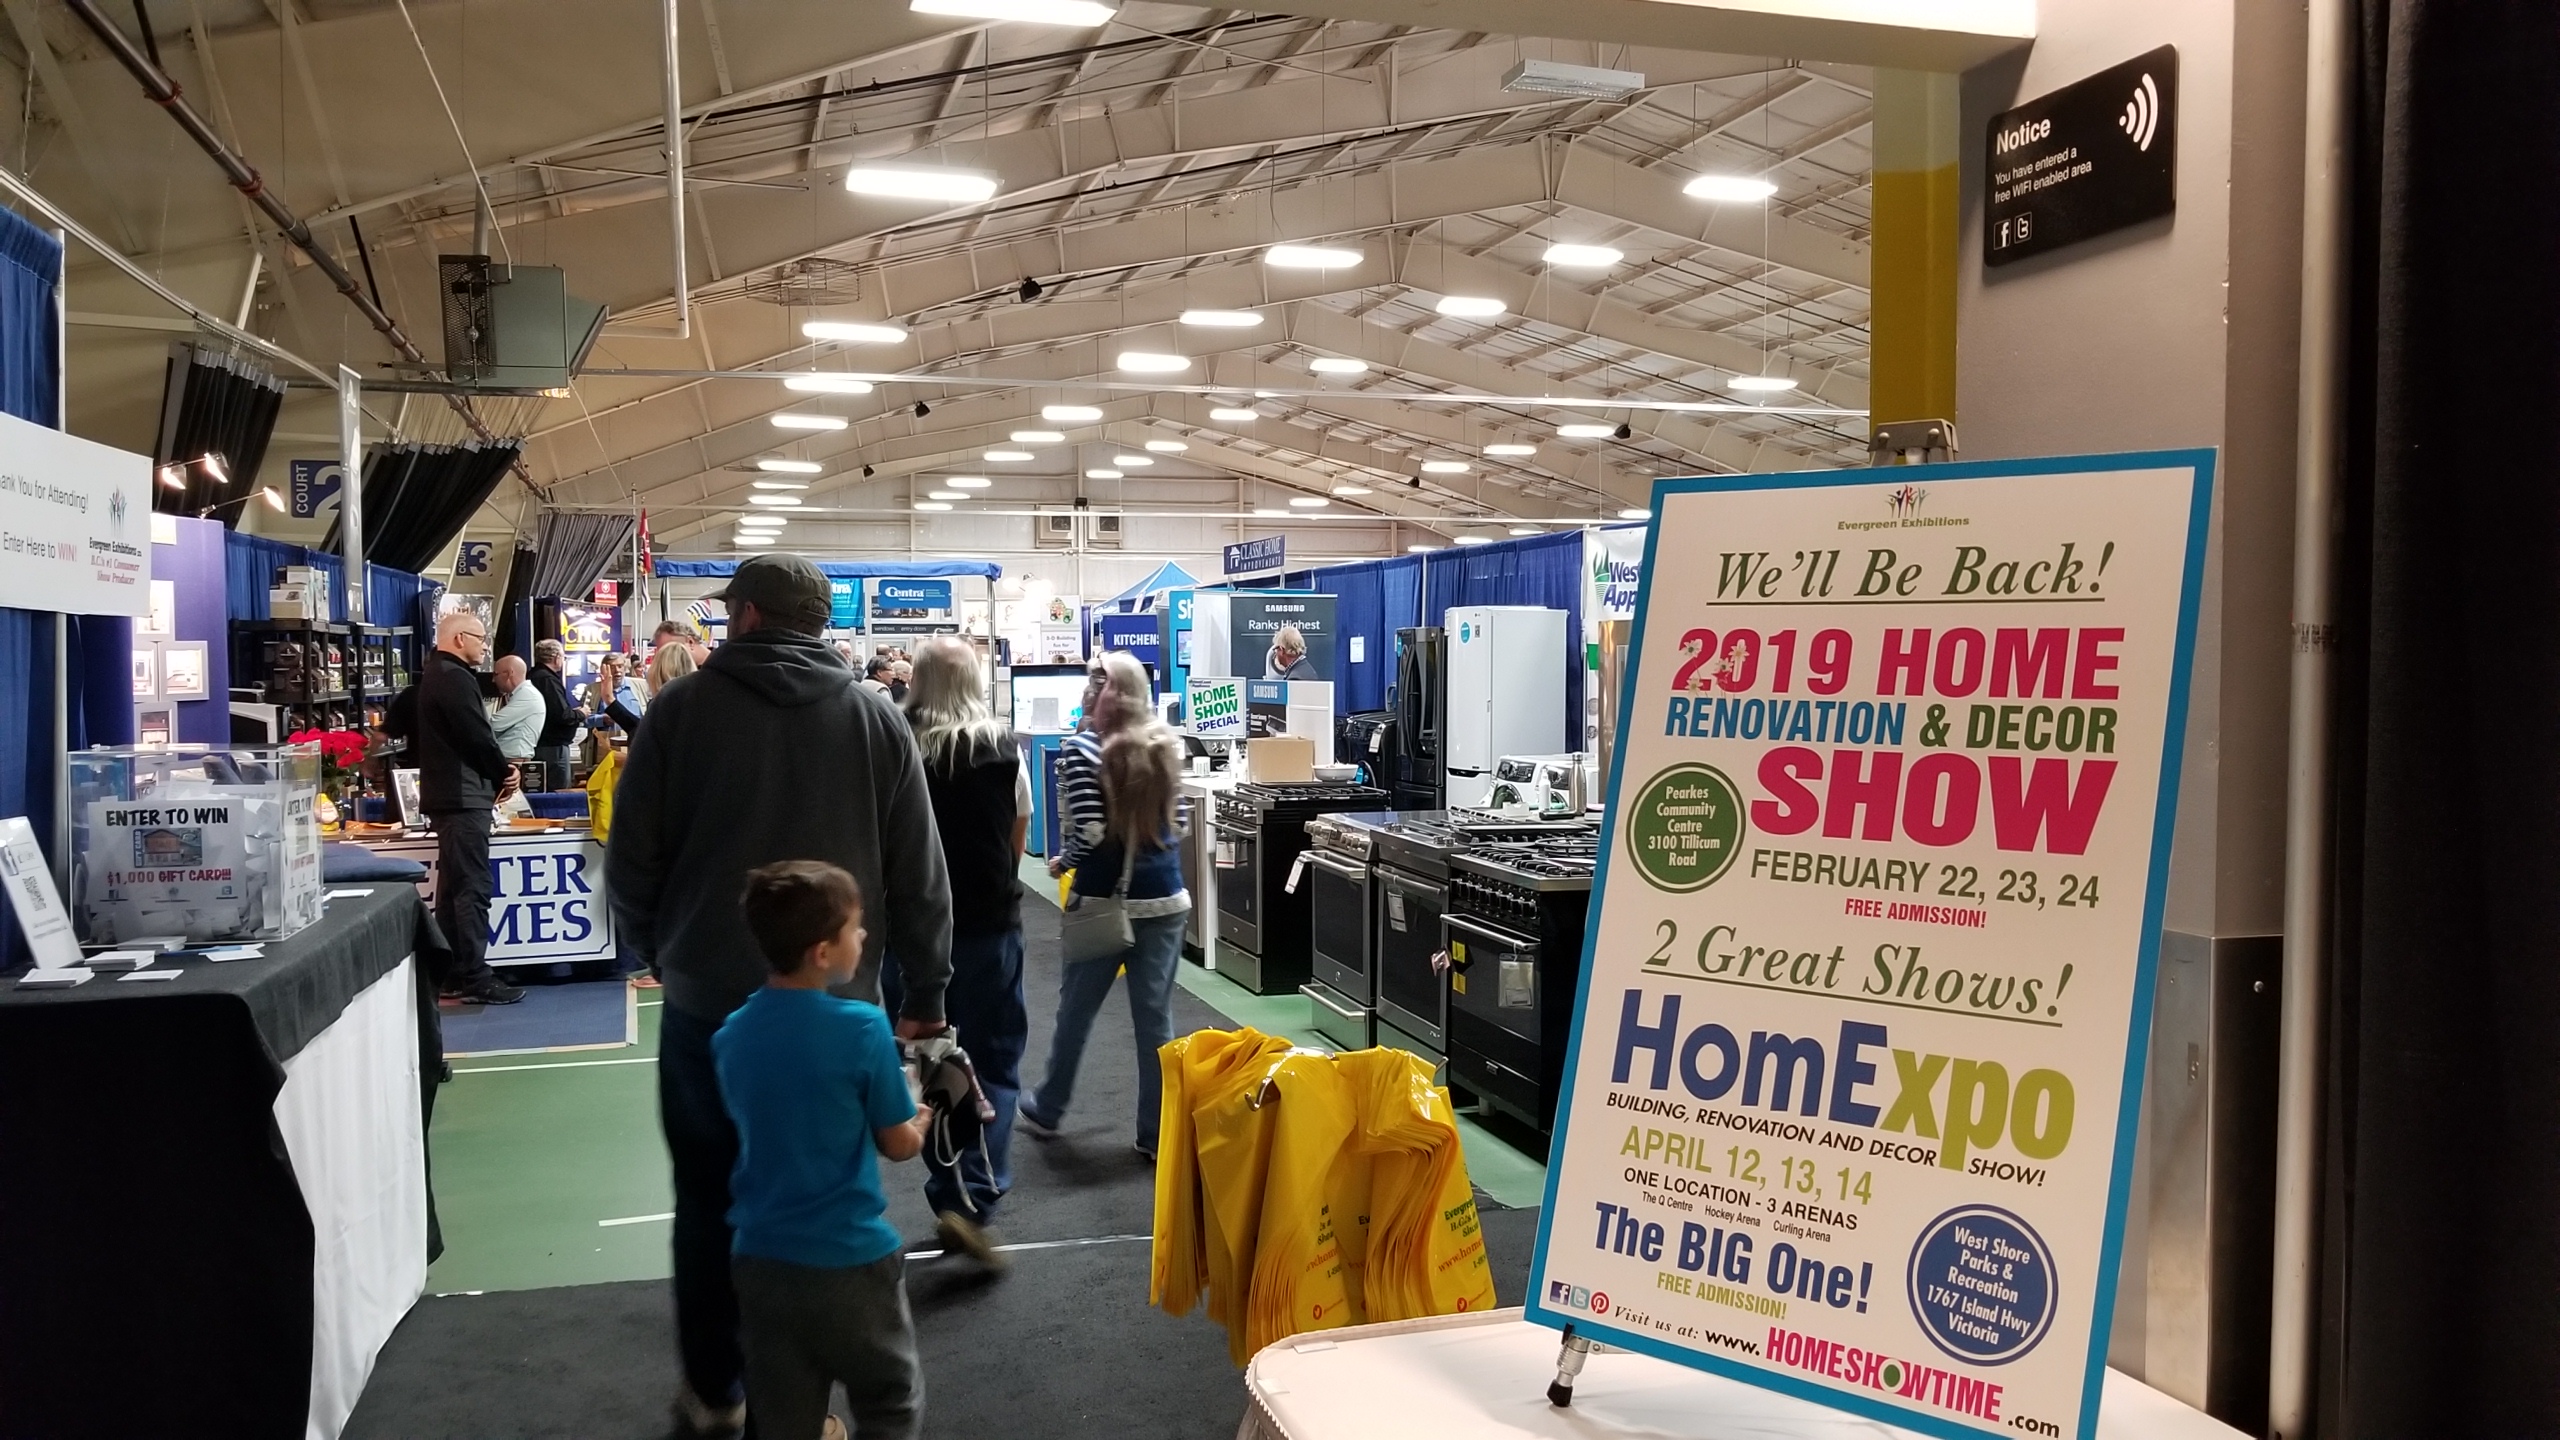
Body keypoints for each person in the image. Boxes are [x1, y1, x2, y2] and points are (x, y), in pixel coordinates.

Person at [608, 552, 953, 1438]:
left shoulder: (677, 712)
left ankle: (718, 1390)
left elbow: (631, 858)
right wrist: (927, 993)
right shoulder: (875, 718)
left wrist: (663, 951)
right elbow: (920, 872)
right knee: (827, 1191)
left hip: (705, 1003)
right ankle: (814, 1394)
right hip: (841, 1008)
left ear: (749, 616)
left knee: (708, 1195)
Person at [720, 861, 928, 1440]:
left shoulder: (730, 1036)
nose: (863, 935)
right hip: (851, 1261)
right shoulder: (862, 1028)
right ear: (822, 952)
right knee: (890, 1400)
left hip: (760, 1261)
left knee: (785, 1416)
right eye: (855, 928)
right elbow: (898, 1144)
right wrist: (920, 1119)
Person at [1020, 651, 1188, 1159]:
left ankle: (1049, 1106)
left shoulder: (1083, 749)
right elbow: (1177, 823)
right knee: (1155, 1022)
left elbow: (1091, 831)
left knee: (1076, 1009)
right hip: (1166, 899)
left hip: (1101, 901)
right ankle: (1156, 1134)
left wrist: (1062, 860)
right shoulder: (1165, 743)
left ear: (1100, 694)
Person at [900, 636, 1028, 1269]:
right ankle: (979, 1190)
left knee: (932, 1063)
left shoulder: (897, 743)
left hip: (914, 933)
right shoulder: (1003, 747)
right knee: (996, 1061)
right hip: (989, 926)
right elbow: (1017, 831)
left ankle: (950, 1187)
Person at [417, 612, 523, 1005]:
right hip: (463, 798)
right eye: (480, 638)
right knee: (472, 889)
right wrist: (503, 772)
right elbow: (476, 735)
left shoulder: (435, 674)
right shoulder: (454, 677)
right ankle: (476, 976)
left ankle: (454, 973)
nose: (485, 646)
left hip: (450, 796)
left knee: (453, 891)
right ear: (460, 638)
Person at [529, 639, 584, 792]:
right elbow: (562, 715)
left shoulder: (533, 676)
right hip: (553, 747)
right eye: (563, 656)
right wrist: (581, 713)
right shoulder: (548, 680)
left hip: (540, 743)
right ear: (556, 657)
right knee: (558, 793)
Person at [490, 655, 544, 770]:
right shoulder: (520, 694)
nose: (493, 680)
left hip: (513, 761)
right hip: (511, 759)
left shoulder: (527, 695)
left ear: (509, 673)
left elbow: (494, 725)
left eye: (496, 674)